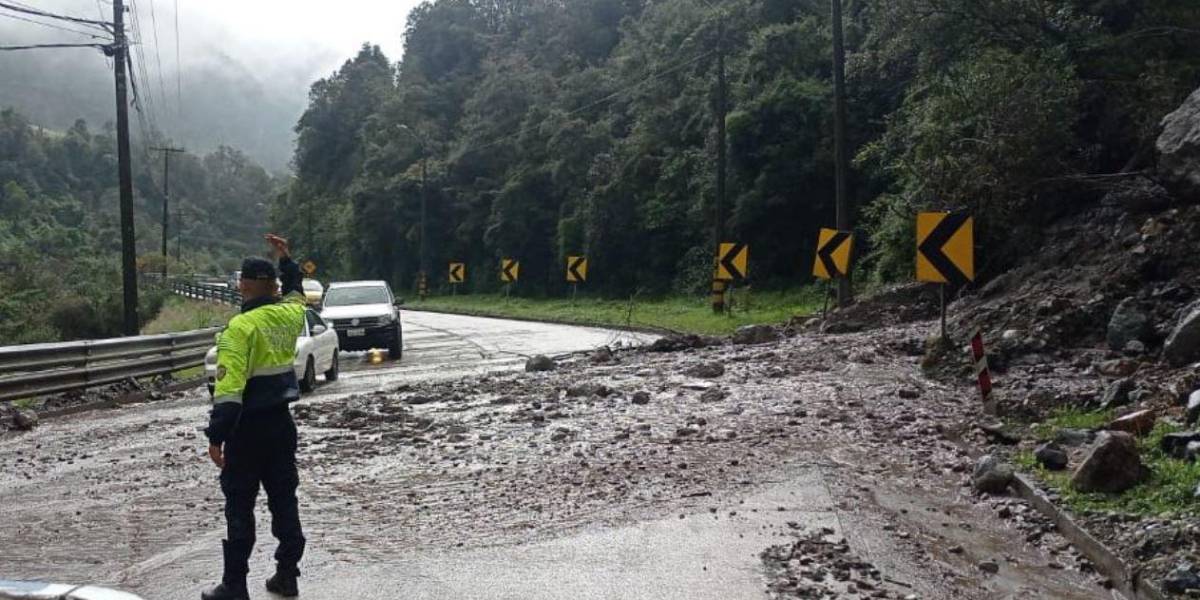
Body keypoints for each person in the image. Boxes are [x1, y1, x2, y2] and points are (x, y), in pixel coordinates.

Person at [202, 234, 307, 600]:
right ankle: (287, 575)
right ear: (273, 286)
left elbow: (228, 396)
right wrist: (287, 259)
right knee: (284, 500)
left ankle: (234, 586)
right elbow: (297, 291)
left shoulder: (238, 330)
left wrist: (216, 437)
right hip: (281, 425)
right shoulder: (290, 315)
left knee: (240, 506)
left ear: (243, 285)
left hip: (246, 432)